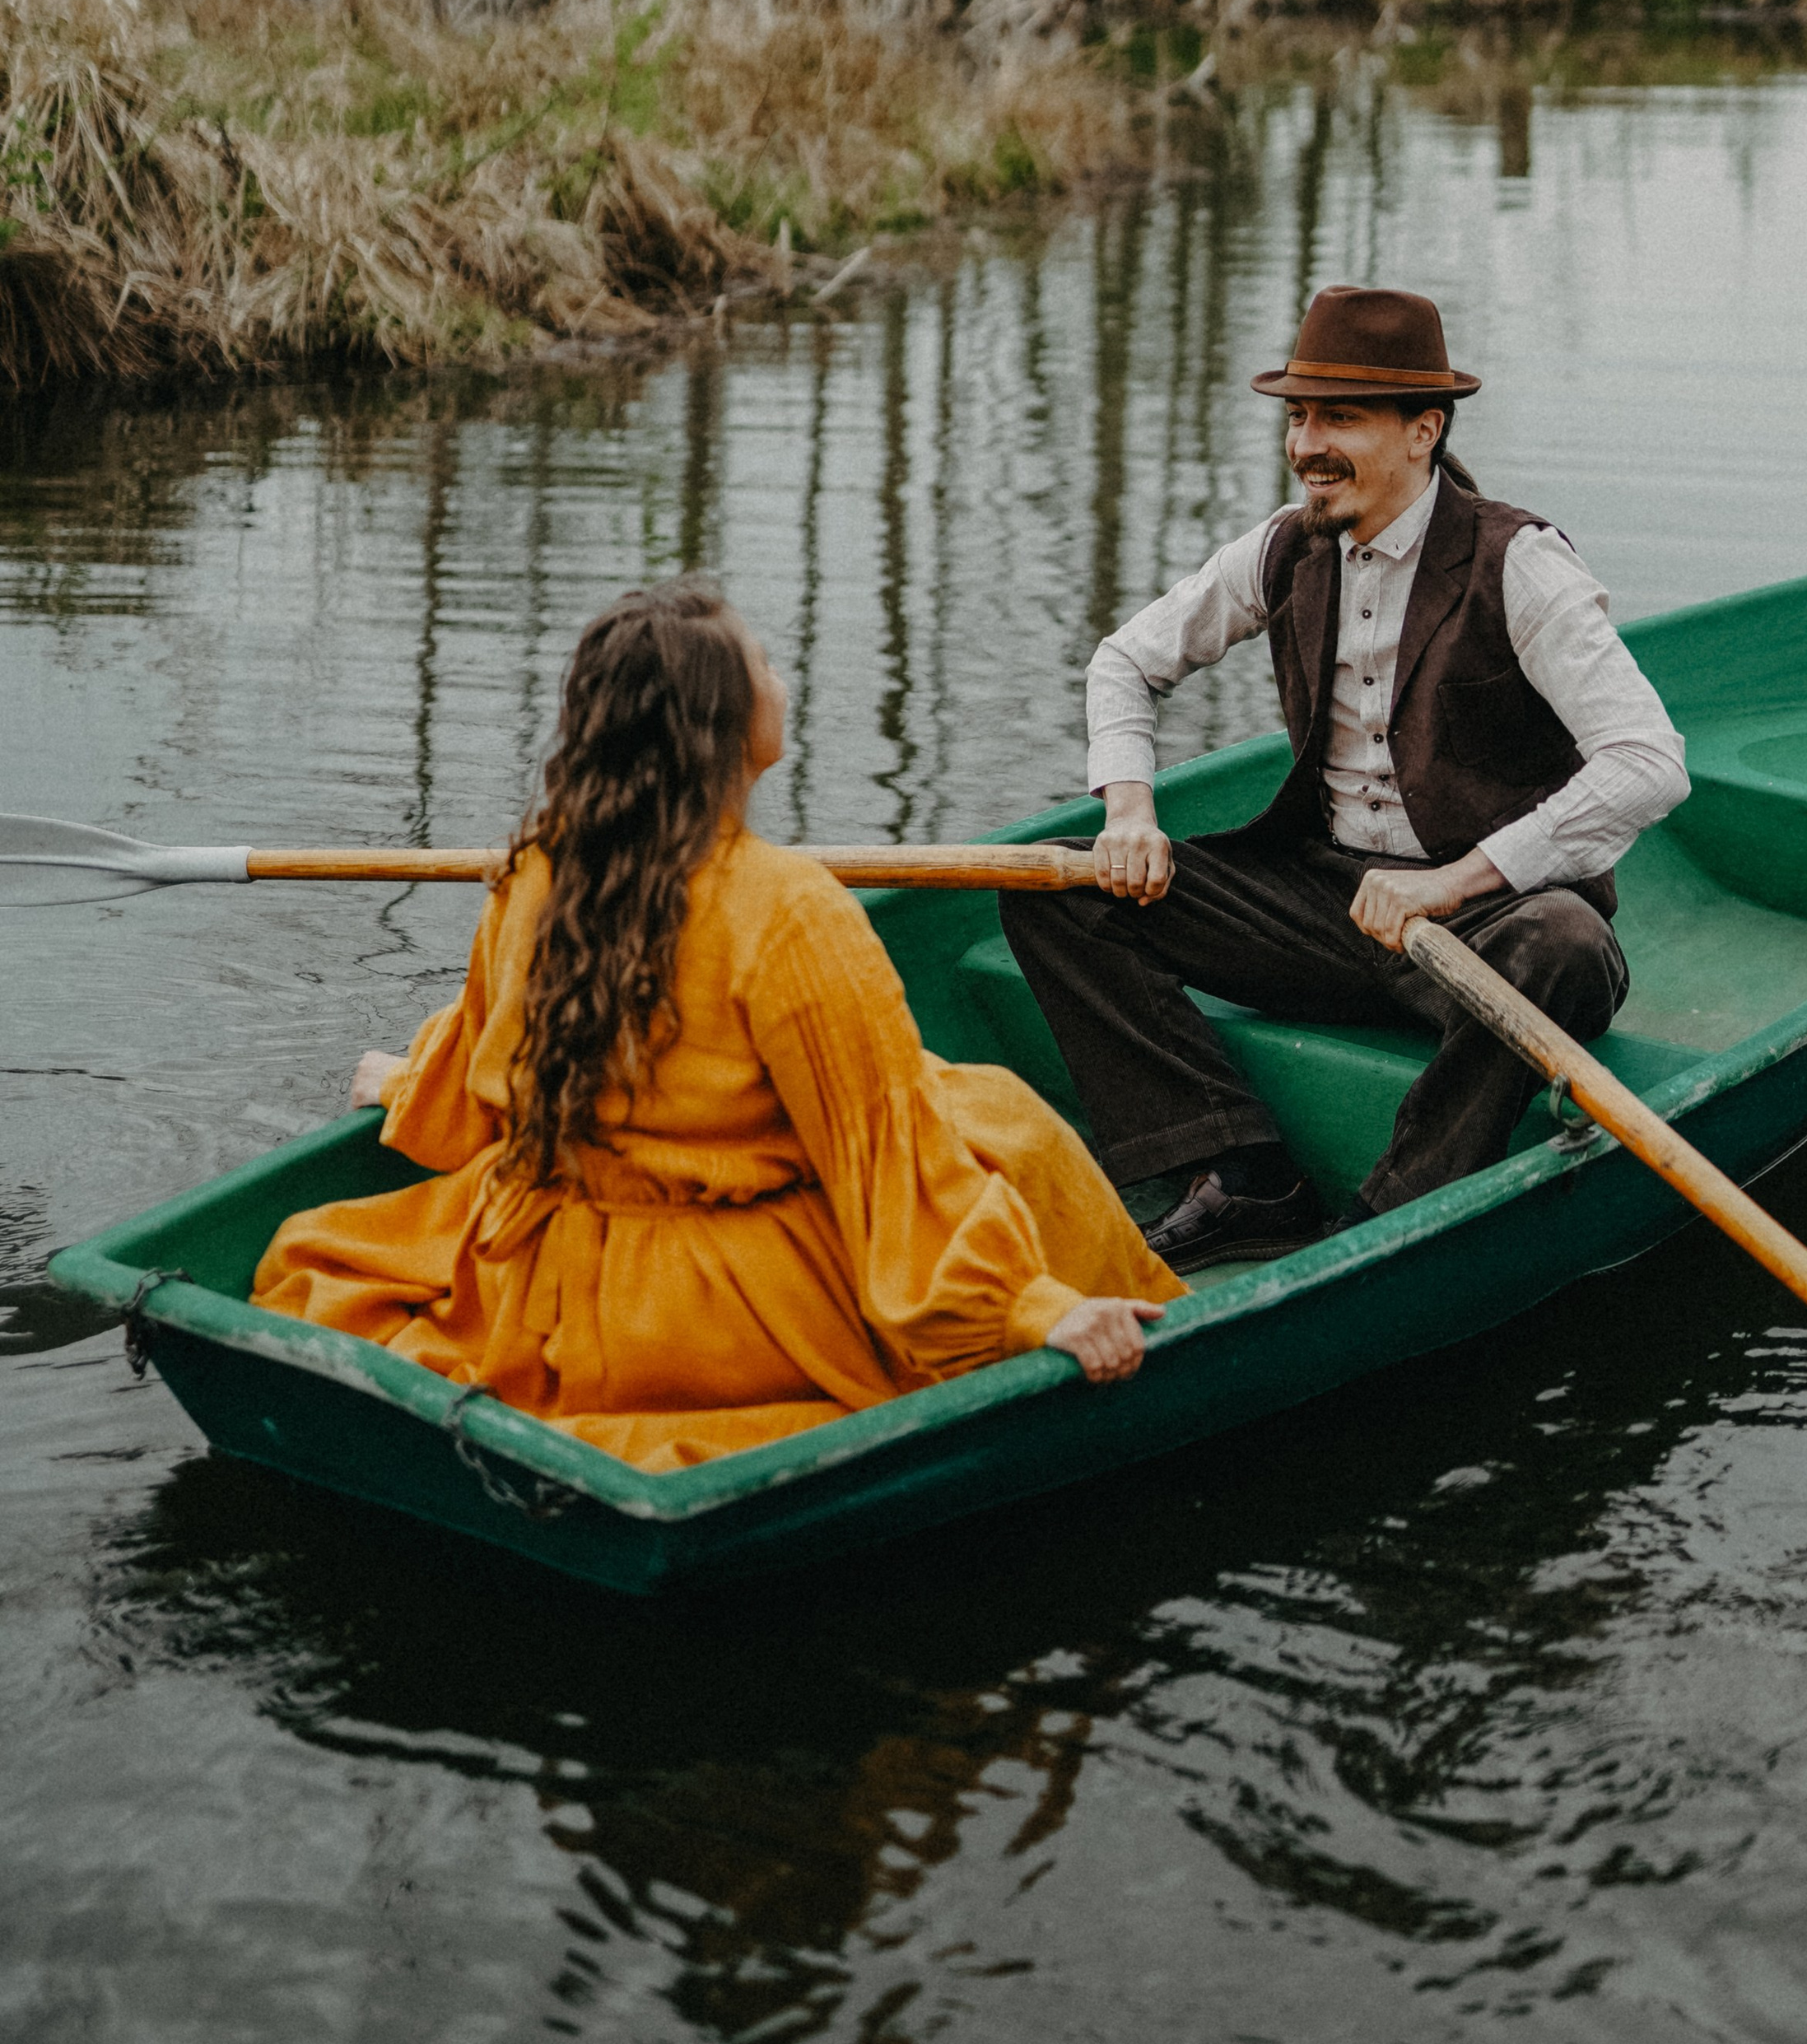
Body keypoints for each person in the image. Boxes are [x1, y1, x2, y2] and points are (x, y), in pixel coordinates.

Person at [251, 580, 1182, 1468]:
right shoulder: (791, 913)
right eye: (765, 664)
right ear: (726, 727)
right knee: (1011, 1127)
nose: (782, 680)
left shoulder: (537, 871)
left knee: (972, 1098)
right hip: (713, 1303)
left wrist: (409, 1084)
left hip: (540, 1265)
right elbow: (890, 1167)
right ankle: (1147, 1318)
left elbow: (500, 1073)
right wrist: (1027, 1308)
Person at [999, 284, 1690, 1271]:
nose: (1306, 443)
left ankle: (1390, 1213)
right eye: (1298, 415)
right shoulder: (1285, 547)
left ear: (1424, 431)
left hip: (1485, 925)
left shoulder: (1519, 562)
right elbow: (1125, 660)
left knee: (1568, 945)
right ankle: (1246, 1176)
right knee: (1059, 890)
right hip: (1325, 905)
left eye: (1341, 418)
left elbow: (1648, 763)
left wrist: (1449, 885)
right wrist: (1130, 810)